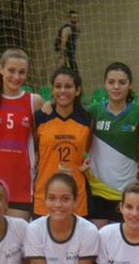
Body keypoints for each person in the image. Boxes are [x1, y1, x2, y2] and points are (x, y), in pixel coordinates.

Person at [0, 48, 44, 221]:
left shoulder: (34, 101)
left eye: (22, 72)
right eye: (11, 70)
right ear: (1, 69)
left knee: (18, 242)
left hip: (20, 183)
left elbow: (39, 139)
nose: (16, 77)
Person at [86, 62, 139, 228]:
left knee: (123, 245)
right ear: (105, 84)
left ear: (130, 85)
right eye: (111, 82)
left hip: (125, 192)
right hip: (97, 192)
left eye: (122, 82)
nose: (116, 87)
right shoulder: (94, 111)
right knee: (98, 244)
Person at [33, 67, 91, 218]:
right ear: (52, 90)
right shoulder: (40, 117)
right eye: (58, 86)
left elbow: (89, 149)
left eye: (68, 86)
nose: (63, 91)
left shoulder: (86, 119)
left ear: (77, 90)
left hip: (75, 194)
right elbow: (33, 149)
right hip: (44, 194)